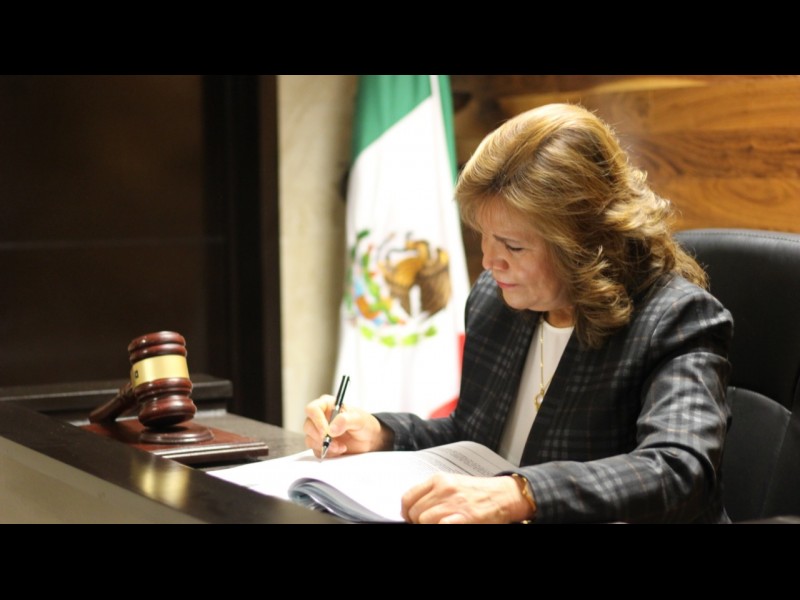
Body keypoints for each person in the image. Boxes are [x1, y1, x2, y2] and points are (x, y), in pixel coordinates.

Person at [304, 103, 733, 524]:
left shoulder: (675, 317)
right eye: (485, 236)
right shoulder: (496, 299)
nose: (490, 261)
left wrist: (521, 493)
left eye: (513, 245)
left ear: (584, 243)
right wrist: (380, 433)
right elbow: (474, 435)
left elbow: (678, 469)